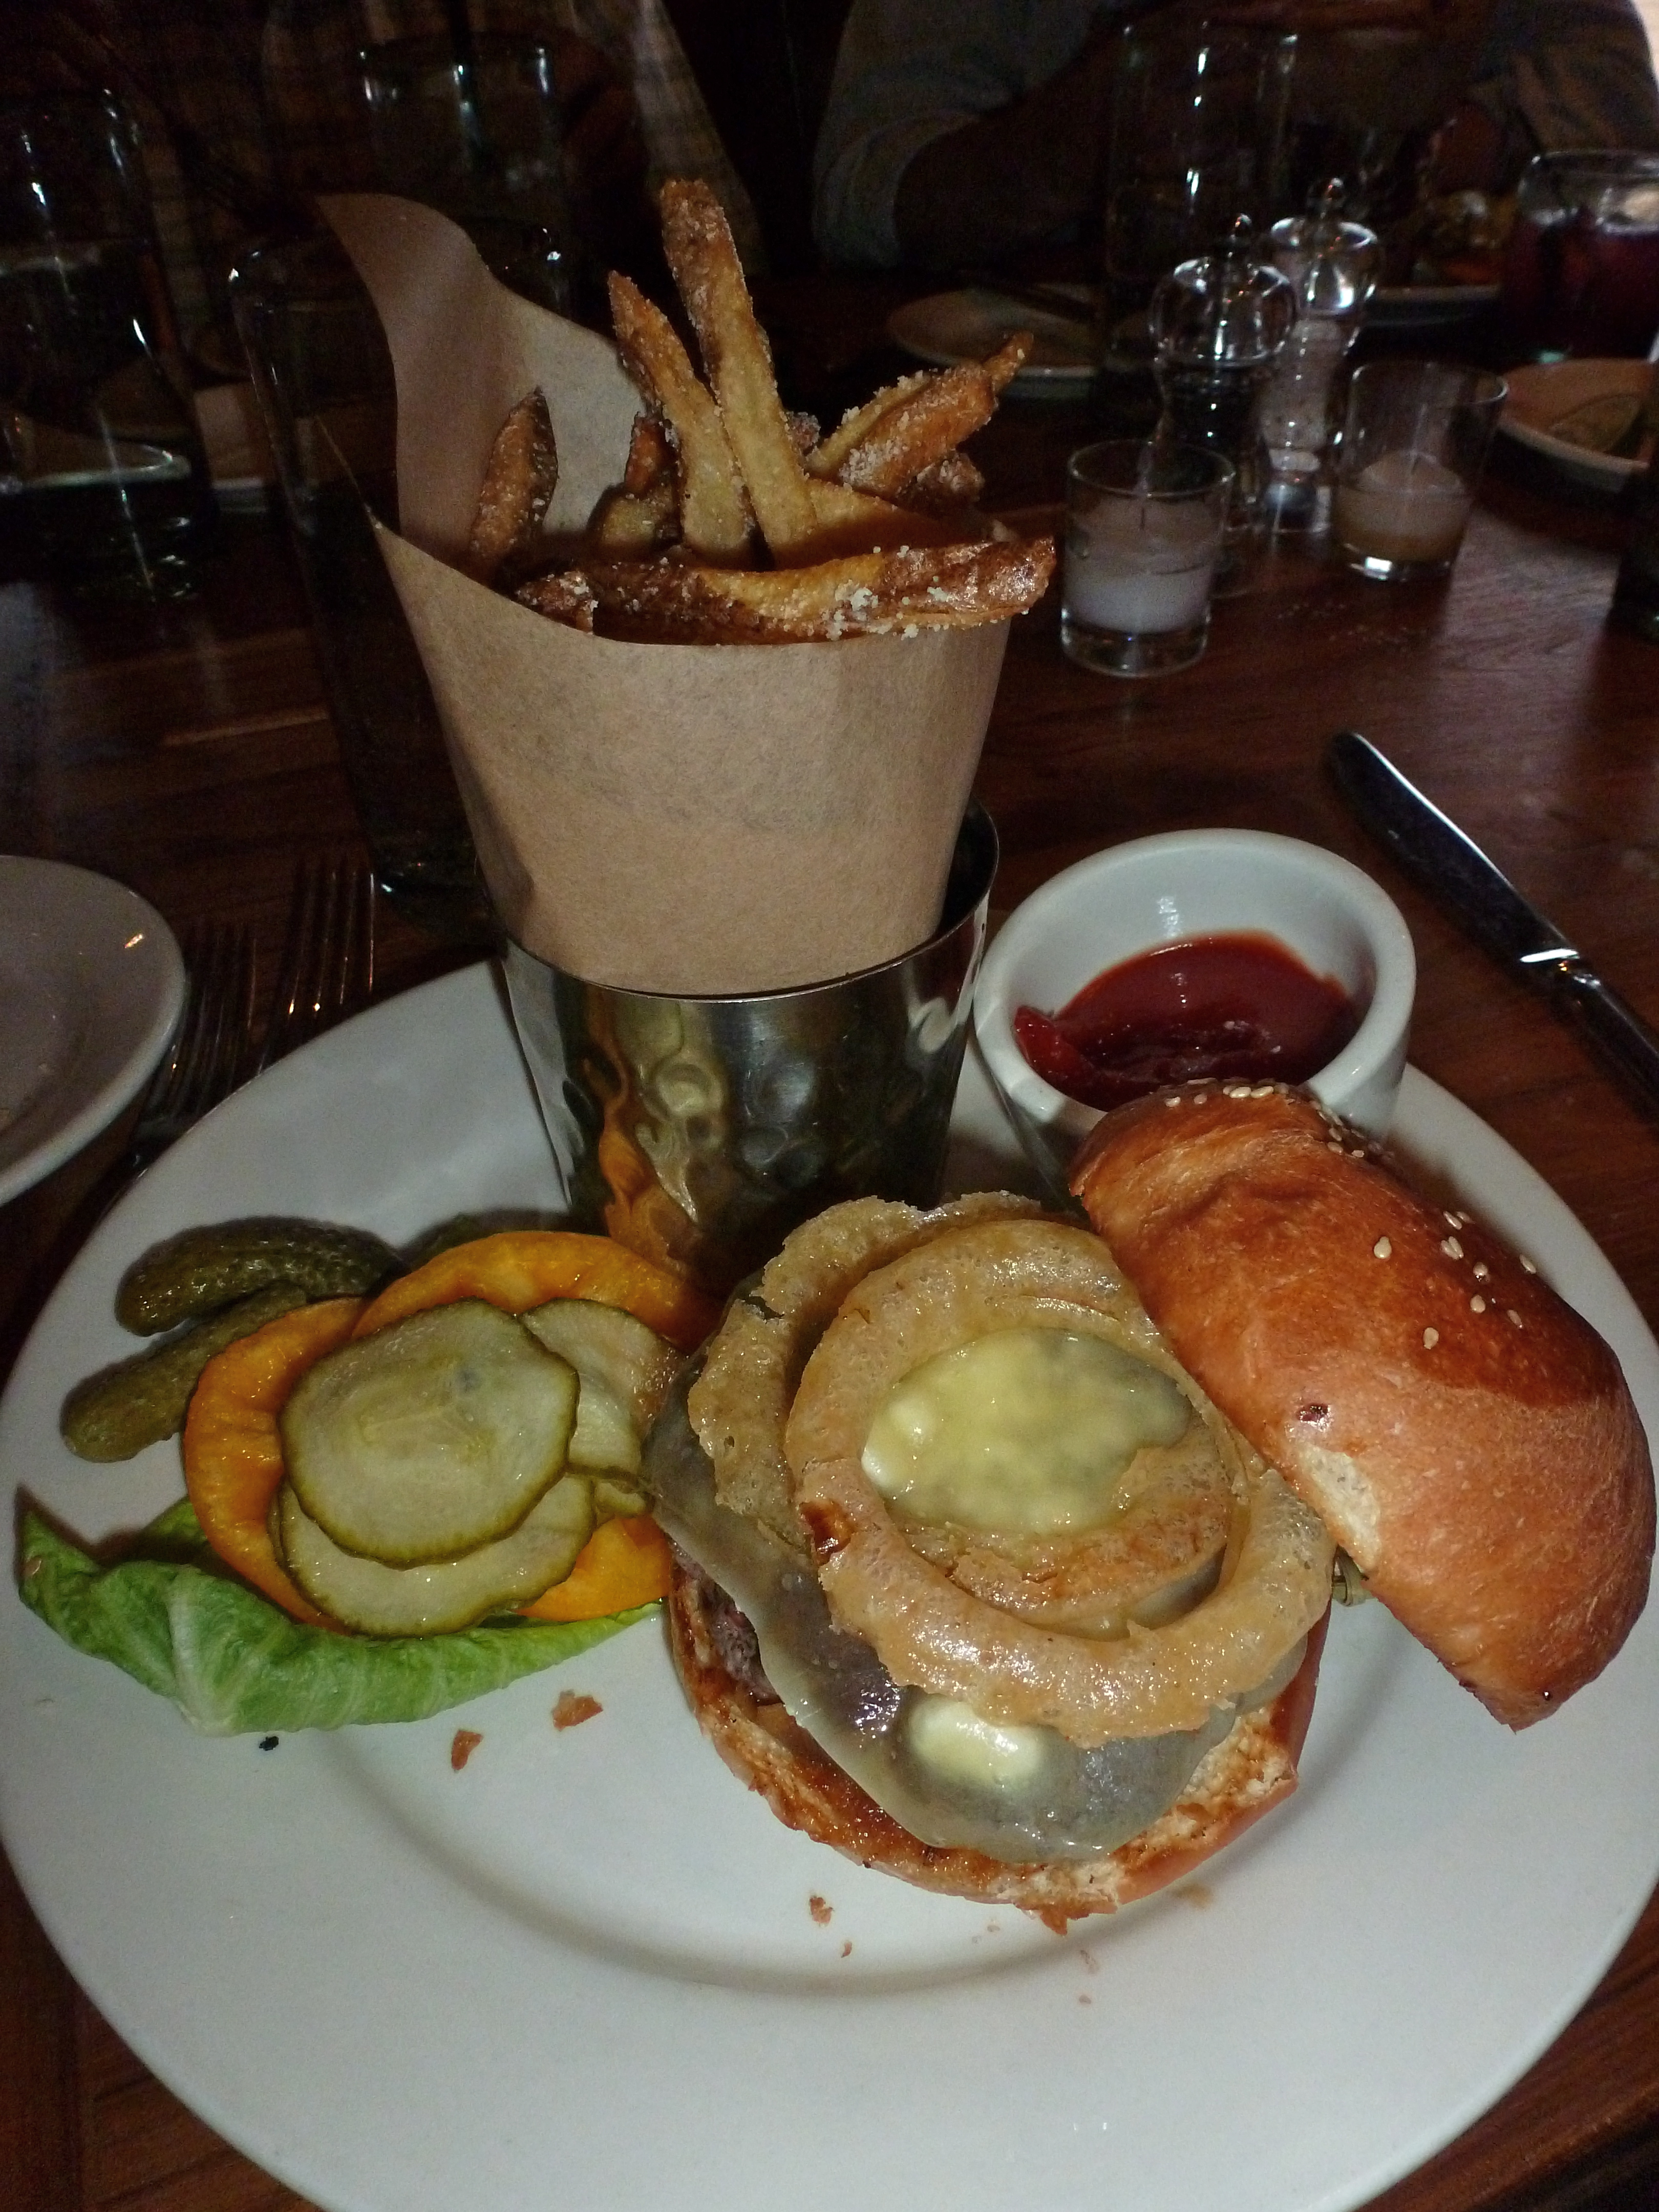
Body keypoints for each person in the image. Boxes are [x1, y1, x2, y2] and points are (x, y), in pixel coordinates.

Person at [814, 0, 1659, 268]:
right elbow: (858, 195)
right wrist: (1083, 141)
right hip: (1044, 441)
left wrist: (1408, 134)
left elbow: (1617, 82)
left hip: (1405, 426)